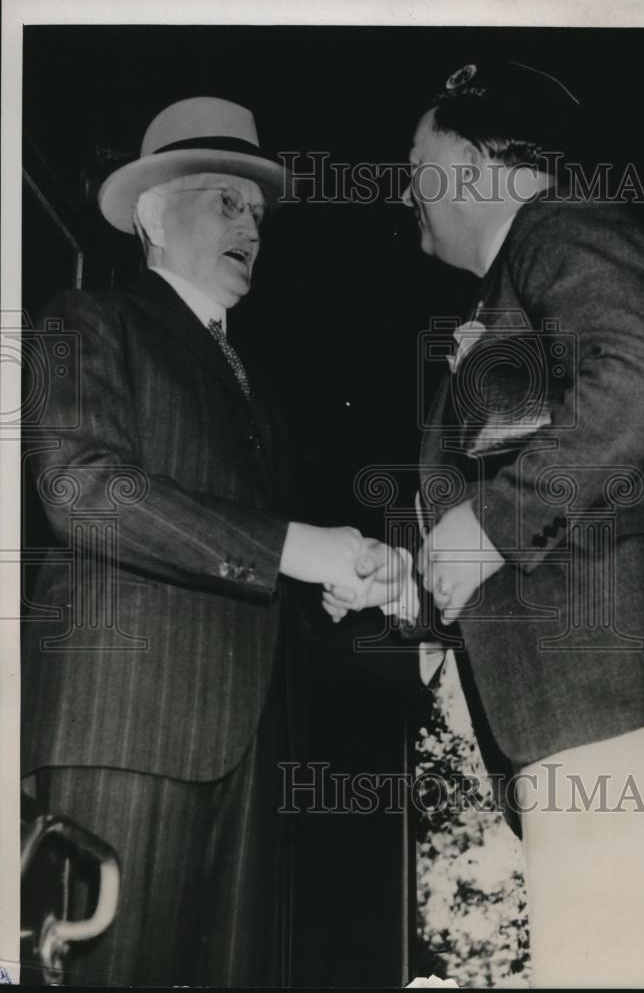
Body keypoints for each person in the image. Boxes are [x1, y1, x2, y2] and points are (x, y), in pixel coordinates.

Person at [325, 60, 644, 986]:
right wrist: (409, 581)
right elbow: (515, 516)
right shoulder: (502, 300)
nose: (405, 189)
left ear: (490, 161)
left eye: (417, 163)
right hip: (575, 717)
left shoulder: (560, 229)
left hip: (616, 702)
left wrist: (487, 528)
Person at [21, 96, 375, 987]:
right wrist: (296, 548)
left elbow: (239, 547)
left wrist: (325, 582)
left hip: (249, 753)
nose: (251, 226)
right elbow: (81, 486)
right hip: (126, 734)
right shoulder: (84, 320)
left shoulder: (260, 391)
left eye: (257, 212)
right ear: (151, 215)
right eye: (226, 201)